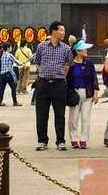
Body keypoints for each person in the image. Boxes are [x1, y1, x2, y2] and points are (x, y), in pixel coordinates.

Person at [32, 21, 74, 151]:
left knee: (60, 114)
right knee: (41, 114)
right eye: (61, 30)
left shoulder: (66, 48)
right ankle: (42, 141)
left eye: (64, 30)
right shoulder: (41, 46)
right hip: (43, 84)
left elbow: (68, 65)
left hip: (59, 85)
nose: (63, 33)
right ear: (54, 31)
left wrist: (59, 75)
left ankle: (60, 141)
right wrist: (45, 73)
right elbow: (37, 63)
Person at [67, 40, 99, 149]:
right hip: (74, 94)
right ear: (77, 50)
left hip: (87, 93)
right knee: (73, 118)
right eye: (84, 48)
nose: (86, 50)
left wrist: (96, 92)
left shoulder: (89, 63)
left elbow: (94, 78)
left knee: (85, 118)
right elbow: (67, 79)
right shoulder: (70, 63)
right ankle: (74, 139)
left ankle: (83, 139)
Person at [0, 43, 22, 107]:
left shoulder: (1, 55)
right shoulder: (9, 55)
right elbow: (17, 62)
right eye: (10, 47)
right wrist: (22, 63)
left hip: (2, 74)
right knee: (13, 87)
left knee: (1, 88)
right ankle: (15, 102)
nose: (11, 48)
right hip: (8, 73)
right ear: (7, 48)